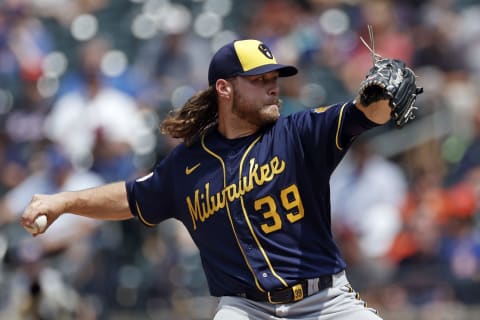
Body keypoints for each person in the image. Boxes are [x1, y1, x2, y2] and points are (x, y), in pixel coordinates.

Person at [21, 39, 418, 320]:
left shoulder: (299, 133)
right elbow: (131, 197)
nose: (273, 86)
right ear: (225, 89)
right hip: (245, 309)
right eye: (259, 79)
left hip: (325, 302)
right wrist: (64, 201)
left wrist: (381, 96)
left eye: (274, 77)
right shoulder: (187, 166)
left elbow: (363, 113)